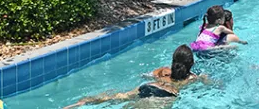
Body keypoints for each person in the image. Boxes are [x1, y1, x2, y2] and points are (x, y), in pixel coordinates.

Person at [63, 45, 204, 108]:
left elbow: (144, 75)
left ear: (173, 61)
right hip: (165, 95)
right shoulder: (193, 78)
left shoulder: (163, 71)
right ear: (191, 63)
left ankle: (80, 103)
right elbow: (209, 83)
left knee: (119, 97)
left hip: (148, 87)